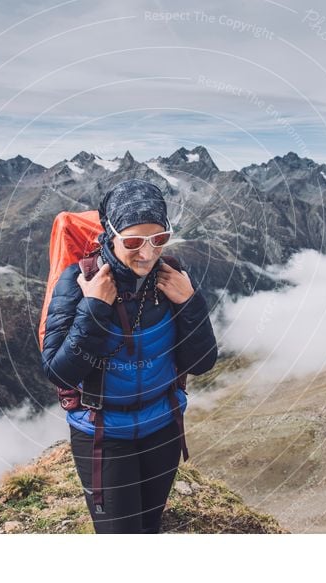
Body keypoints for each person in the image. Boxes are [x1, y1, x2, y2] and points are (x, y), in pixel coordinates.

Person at [41, 178, 218, 533]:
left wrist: (190, 303)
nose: (148, 253)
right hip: (104, 436)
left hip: (163, 427)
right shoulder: (78, 282)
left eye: (159, 239)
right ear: (110, 234)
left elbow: (202, 363)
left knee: (149, 527)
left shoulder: (174, 278)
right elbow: (58, 372)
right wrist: (93, 308)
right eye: (134, 241)